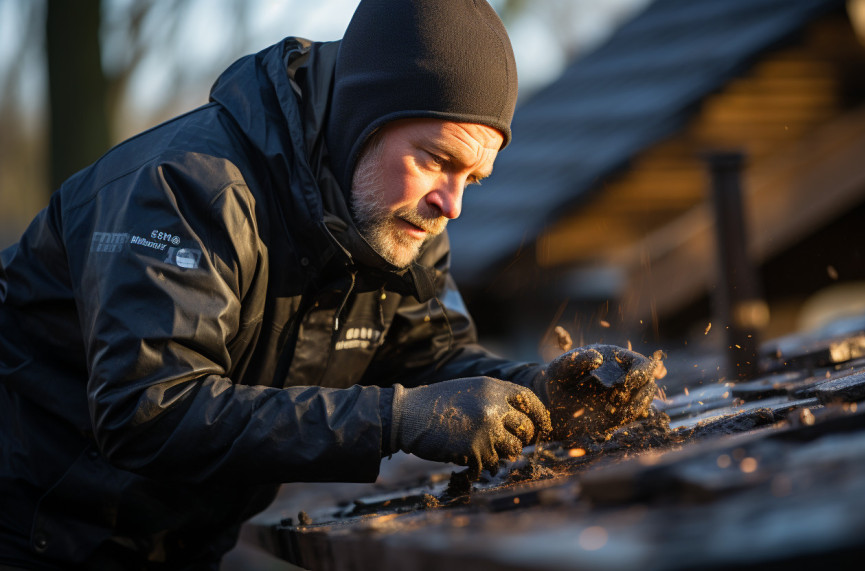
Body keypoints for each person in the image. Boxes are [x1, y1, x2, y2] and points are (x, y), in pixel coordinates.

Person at [0, 0, 658, 568]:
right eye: (436, 160)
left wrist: (538, 387)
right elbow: (148, 409)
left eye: (474, 178)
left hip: (183, 548)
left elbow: (428, 356)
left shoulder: (396, 210)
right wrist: (390, 419)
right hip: (30, 537)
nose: (452, 204)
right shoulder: (183, 189)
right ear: (362, 118)